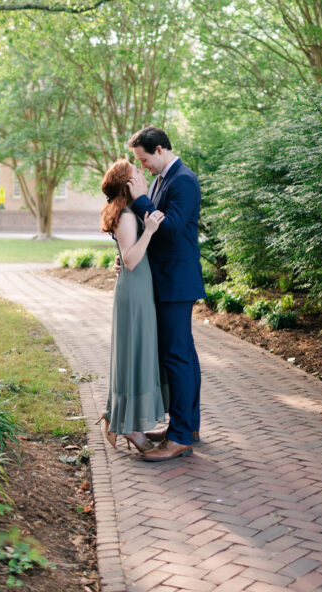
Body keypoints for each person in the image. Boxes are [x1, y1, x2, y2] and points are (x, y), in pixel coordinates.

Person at [126, 126, 205, 462]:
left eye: (144, 159)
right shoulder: (162, 180)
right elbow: (153, 231)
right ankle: (187, 426)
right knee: (181, 354)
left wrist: (139, 198)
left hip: (176, 283)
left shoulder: (182, 180)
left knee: (177, 357)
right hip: (166, 280)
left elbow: (170, 231)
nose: (142, 167)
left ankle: (181, 437)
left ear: (158, 150)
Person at [97, 159, 167, 454]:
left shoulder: (128, 212)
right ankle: (130, 429)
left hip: (138, 289)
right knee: (134, 356)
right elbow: (130, 259)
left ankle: (118, 417)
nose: (140, 173)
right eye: (135, 172)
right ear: (127, 183)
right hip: (133, 293)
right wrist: (149, 230)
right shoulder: (127, 215)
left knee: (135, 355)